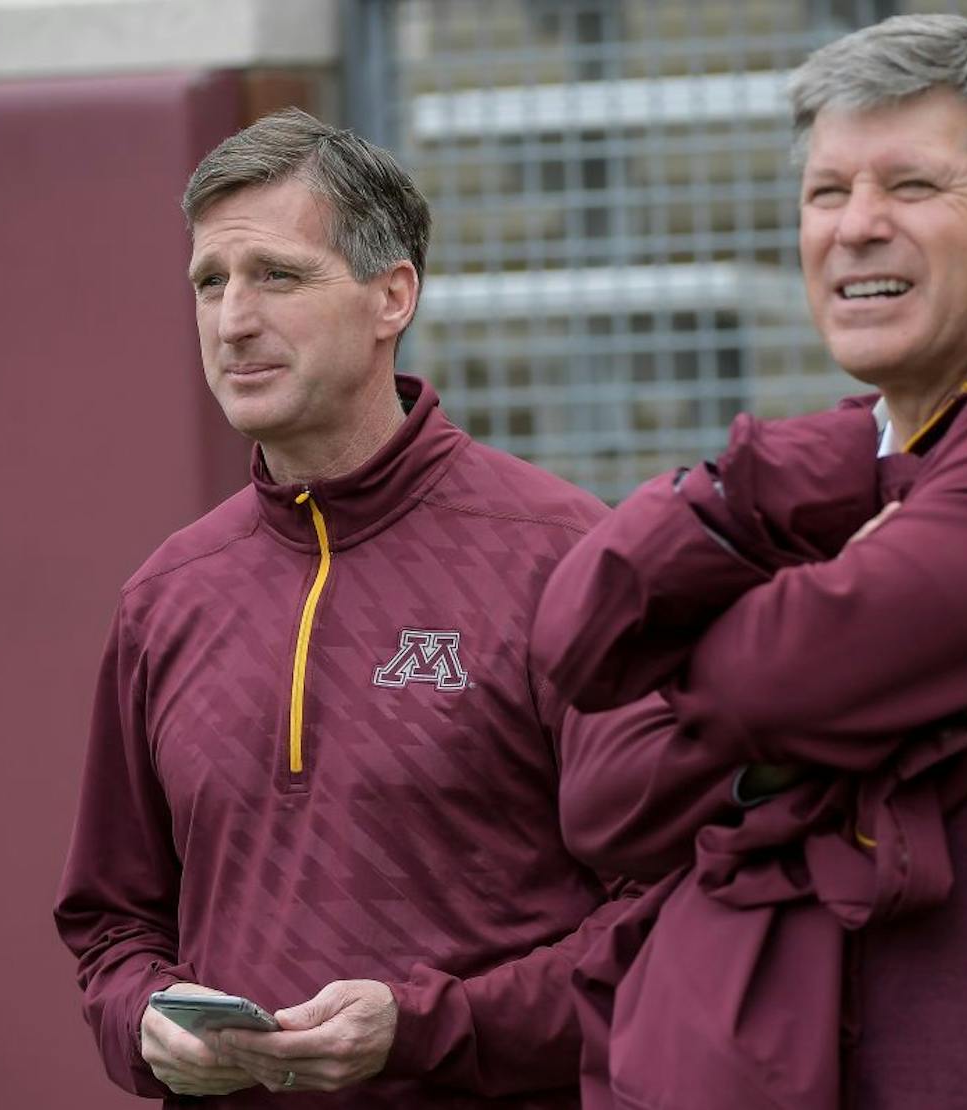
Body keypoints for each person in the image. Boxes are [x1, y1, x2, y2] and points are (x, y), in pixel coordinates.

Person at [531, 14, 967, 1110]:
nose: (855, 227)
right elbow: (603, 787)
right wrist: (768, 488)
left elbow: (779, 675)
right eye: (824, 193)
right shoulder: (832, 465)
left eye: (910, 186)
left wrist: (752, 685)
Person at [54, 108, 650, 1108]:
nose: (233, 318)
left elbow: (660, 919)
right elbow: (112, 923)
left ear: (391, 298)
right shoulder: (167, 595)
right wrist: (148, 1022)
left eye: (277, 276)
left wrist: (425, 1030)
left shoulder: (565, 556)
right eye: (210, 282)